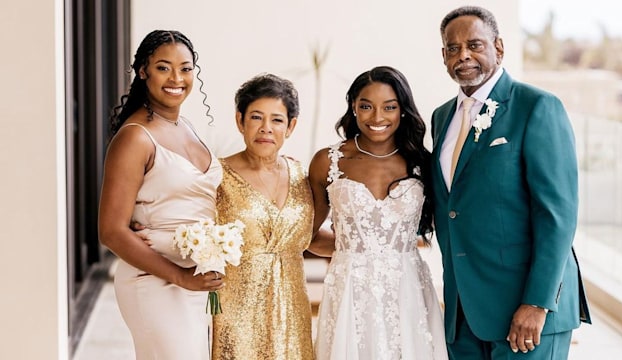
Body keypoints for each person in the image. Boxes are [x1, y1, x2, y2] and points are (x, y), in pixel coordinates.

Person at [430, 6, 592, 359]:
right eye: (453, 48)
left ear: (498, 48)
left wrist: (537, 303)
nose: (464, 56)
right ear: (443, 56)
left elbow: (557, 216)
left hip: (527, 311)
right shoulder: (442, 117)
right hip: (464, 314)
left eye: (474, 44)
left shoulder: (538, 107)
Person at [98, 30, 223, 360]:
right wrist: (180, 276)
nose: (176, 78)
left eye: (185, 68)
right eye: (164, 67)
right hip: (155, 280)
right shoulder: (135, 139)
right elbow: (111, 231)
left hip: (194, 281)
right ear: (143, 71)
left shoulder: (188, 127)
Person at [308, 66, 448, 359]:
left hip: (407, 286)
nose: (377, 117)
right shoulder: (328, 161)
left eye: (389, 107)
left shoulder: (422, 162)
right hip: (349, 289)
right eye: (366, 106)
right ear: (353, 108)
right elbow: (306, 234)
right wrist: (353, 249)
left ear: (403, 110)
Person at [210, 73, 314, 359]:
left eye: (277, 120)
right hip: (236, 312)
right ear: (239, 121)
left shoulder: (303, 176)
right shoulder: (216, 176)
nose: (266, 128)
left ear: (291, 126)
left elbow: (315, 237)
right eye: (256, 117)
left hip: (292, 309)